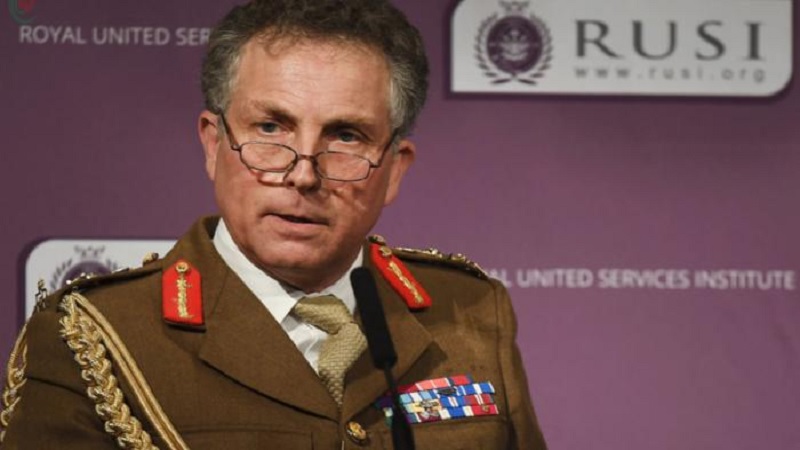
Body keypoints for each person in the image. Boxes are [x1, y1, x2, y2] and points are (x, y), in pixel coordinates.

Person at [0, 0, 547, 448]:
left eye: (346, 136)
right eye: (270, 128)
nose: (303, 175)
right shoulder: (95, 337)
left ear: (395, 170)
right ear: (213, 145)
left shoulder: (472, 313)